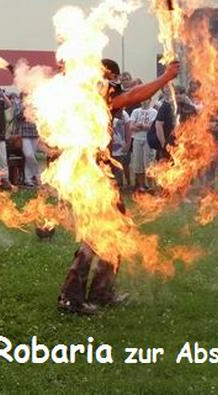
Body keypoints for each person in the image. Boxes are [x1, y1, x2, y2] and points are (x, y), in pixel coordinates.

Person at [58, 59, 180, 314]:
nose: (117, 83)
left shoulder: (94, 96)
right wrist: (165, 77)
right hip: (88, 175)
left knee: (118, 229)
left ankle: (102, 292)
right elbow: (134, 95)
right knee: (95, 236)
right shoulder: (94, 97)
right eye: (113, 77)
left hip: (100, 174)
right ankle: (70, 297)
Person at [129, 99, 157, 191]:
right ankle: (142, 186)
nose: (144, 101)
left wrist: (140, 126)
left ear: (150, 100)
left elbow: (152, 127)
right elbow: (131, 127)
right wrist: (142, 126)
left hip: (148, 140)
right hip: (137, 139)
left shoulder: (153, 112)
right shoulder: (135, 111)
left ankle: (150, 186)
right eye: (143, 100)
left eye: (147, 100)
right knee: (138, 163)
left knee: (148, 163)